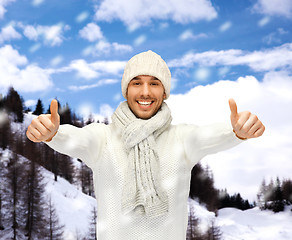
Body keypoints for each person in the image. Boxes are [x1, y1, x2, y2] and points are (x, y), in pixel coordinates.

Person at [26, 50, 265, 240]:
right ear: (126, 89)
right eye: (136, 82)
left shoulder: (181, 138)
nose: (145, 92)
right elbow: (77, 139)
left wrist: (236, 131)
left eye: (154, 83)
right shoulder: (103, 138)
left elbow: (206, 136)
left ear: (164, 91)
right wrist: (53, 134)